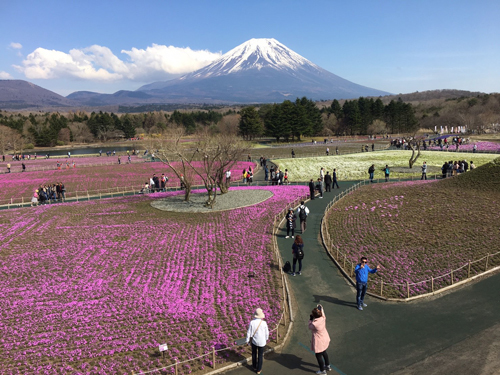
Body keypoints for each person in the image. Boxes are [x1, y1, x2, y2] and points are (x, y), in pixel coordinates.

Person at [309, 304, 331, 374]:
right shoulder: (323, 318)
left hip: (319, 342)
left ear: (314, 316)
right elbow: (323, 313)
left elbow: (310, 327)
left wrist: (310, 319)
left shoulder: (315, 324)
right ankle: (327, 365)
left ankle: (322, 370)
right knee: (324, 352)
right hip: (325, 338)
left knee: (318, 356)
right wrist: (321, 308)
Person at [246, 308, 269, 375]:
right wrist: (266, 338)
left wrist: (247, 340)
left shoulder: (252, 322)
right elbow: (266, 332)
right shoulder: (264, 323)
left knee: (254, 353)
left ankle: (254, 366)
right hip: (262, 342)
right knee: (260, 355)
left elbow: (249, 332)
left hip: (254, 341)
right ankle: (259, 369)